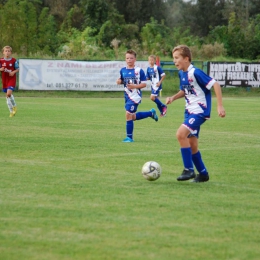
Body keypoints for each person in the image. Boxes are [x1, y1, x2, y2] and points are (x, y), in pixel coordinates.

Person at [166, 45, 226, 182]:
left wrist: (220, 106)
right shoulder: (182, 73)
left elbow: (215, 84)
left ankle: (189, 169)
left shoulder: (196, 72)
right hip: (189, 111)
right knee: (192, 145)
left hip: (199, 112)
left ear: (186, 58)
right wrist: (173, 98)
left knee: (180, 134)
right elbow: (186, 90)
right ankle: (203, 174)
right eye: (173, 58)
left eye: (177, 58)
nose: (175, 61)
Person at [116, 49, 158, 143]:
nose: (129, 60)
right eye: (127, 58)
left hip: (135, 97)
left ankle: (129, 138)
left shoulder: (139, 71)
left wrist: (134, 86)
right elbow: (122, 80)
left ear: (135, 59)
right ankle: (150, 113)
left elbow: (144, 84)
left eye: (131, 58)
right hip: (127, 96)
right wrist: (119, 81)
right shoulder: (123, 70)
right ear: (125, 59)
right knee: (132, 117)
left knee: (128, 115)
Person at [0, 46, 19, 117]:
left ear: (11, 52)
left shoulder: (14, 60)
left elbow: (18, 68)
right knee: (7, 96)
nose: (7, 52)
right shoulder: (1, 60)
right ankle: (11, 111)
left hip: (11, 79)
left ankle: (14, 106)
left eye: (8, 51)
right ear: (3, 52)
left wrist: (13, 72)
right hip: (4, 79)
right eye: (6, 51)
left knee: (8, 94)